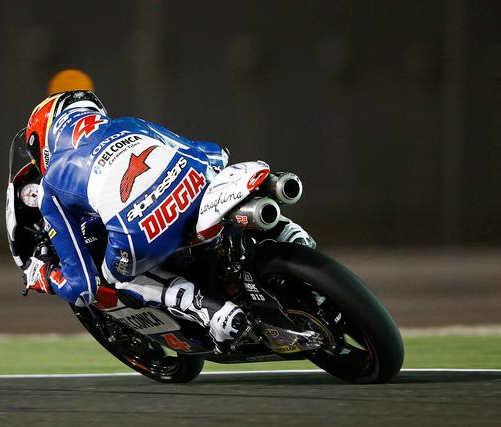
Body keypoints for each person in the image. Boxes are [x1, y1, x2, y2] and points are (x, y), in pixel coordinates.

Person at [19, 90, 315, 353]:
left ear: (43, 142)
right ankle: (288, 234)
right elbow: (212, 152)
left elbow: (82, 288)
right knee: (230, 186)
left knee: (110, 279)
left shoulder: (51, 186)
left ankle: (207, 308)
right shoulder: (130, 124)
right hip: (192, 189)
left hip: (144, 232)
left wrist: (44, 277)